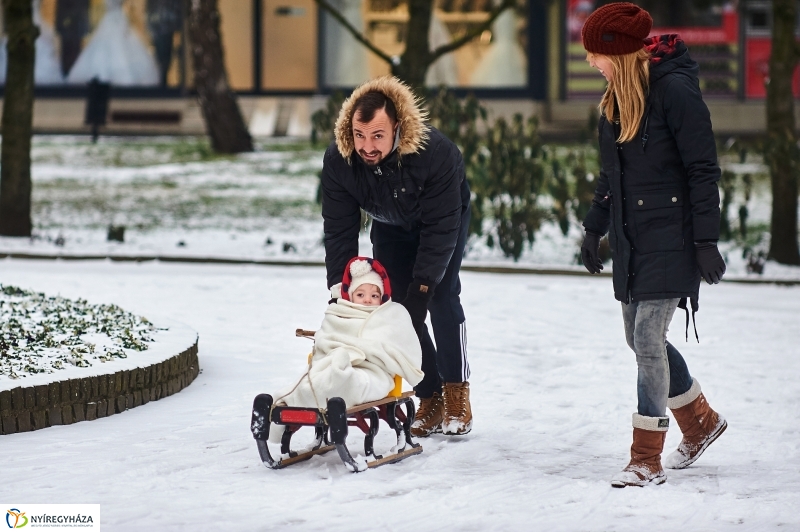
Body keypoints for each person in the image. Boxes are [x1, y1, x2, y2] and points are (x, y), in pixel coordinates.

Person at [579, 2, 728, 488]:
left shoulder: (675, 92)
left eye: (594, 54)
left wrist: (705, 240)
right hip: (632, 239)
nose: (589, 62)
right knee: (639, 340)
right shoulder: (615, 99)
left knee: (647, 340)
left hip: (675, 237)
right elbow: (611, 176)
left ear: (618, 53)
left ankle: (645, 458)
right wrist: (593, 227)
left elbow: (703, 170)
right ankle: (700, 420)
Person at [320, 76, 473, 436]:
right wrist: (340, 287)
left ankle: (456, 393)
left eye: (377, 135)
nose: (367, 146)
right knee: (393, 310)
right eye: (360, 135)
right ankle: (429, 394)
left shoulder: (436, 154)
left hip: (441, 222)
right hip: (390, 224)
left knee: (441, 298)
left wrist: (423, 287)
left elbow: (440, 229)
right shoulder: (340, 160)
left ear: (397, 129)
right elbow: (339, 228)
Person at [272, 257, 424, 418]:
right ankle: (284, 403)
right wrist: (335, 351)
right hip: (331, 365)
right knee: (314, 382)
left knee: (357, 383)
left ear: (383, 297)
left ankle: (340, 381)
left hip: (373, 372)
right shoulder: (339, 313)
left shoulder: (389, 316)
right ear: (350, 296)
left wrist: (368, 351)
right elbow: (325, 339)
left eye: (374, 296)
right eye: (360, 294)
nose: (367, 299)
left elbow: (400, 348)